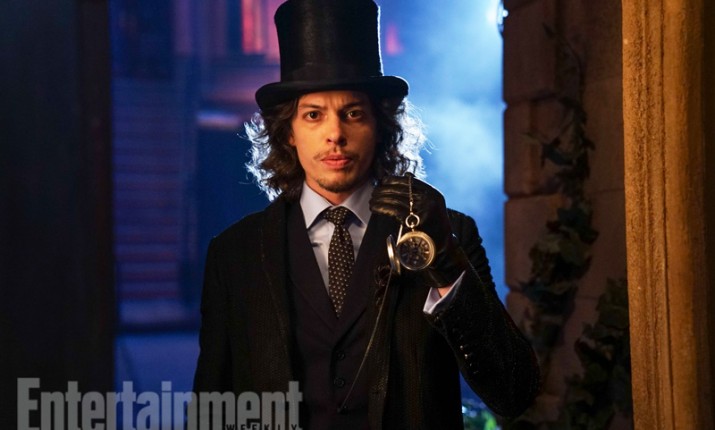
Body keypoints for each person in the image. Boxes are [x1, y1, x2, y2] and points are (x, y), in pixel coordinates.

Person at [192, 0, 540, 428]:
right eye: (314, 115)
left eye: (353, 113)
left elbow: (514, 392)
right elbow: (210, 410)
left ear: (380, 126)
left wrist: (446, 260)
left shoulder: (453, 235)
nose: (335, 134)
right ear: (289, 132)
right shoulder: (234, 255)